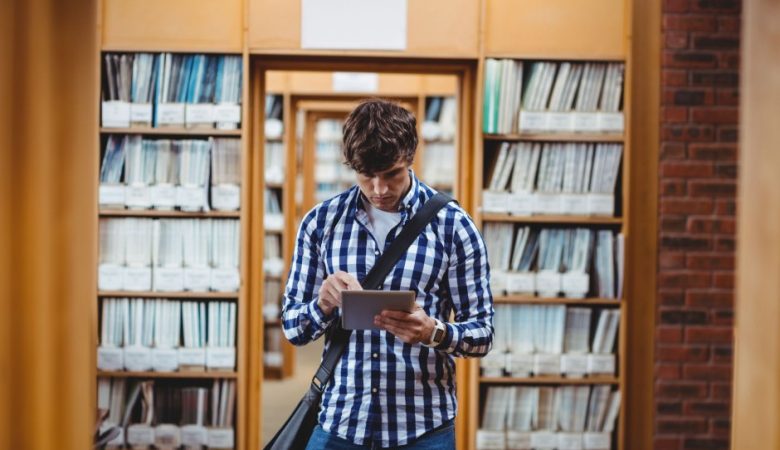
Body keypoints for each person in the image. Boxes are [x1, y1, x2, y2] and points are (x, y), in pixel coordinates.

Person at [281, 98, 494, 449]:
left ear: (410, 157)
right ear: (352, 167)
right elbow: (293, 328)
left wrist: (434, 332)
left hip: (423, 429)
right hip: (340, 423)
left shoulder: (454, 227)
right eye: (367, 177)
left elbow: (483, 333)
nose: (380, 190)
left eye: (392, 175)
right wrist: (322, 304)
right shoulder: (321, 223)